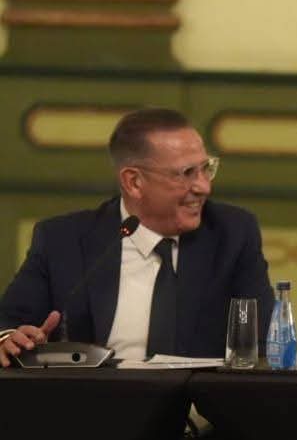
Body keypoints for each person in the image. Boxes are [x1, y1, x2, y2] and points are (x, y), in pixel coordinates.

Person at [0, 108, 275, 367]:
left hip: (197, 400)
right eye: (187, 173)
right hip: (93, 397)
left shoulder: (232, 234)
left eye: (206, 168)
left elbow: (260, 344)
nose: (203, 187)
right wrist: (10, 339)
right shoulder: (62, 240)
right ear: (134, 182)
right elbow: (8, 324)